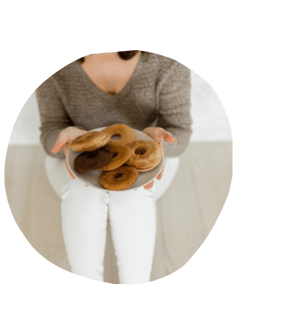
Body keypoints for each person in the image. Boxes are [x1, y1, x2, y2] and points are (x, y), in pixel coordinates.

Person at [36, 50, 192, 284]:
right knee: (83, 190)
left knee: (132, 194)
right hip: (72, 159)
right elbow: (50, 129)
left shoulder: (166, 61)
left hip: (147, 160)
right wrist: (65, 139)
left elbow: (180, 132)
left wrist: (155, 145)